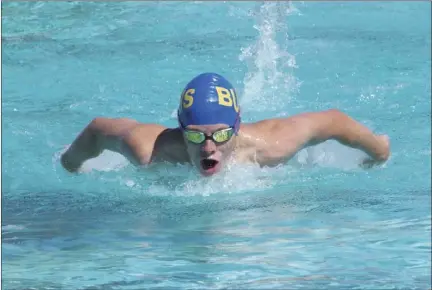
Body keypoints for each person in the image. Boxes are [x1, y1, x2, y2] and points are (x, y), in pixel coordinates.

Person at [61, 72, 390, 176]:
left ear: (236, 125)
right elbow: (96, 129)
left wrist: (378, 152)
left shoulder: (271, 146)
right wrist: (71, 167)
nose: (208, 147)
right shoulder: (148, 148)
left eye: (220, 135)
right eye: (196, 135)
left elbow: (333, 121)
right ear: (179, 127)